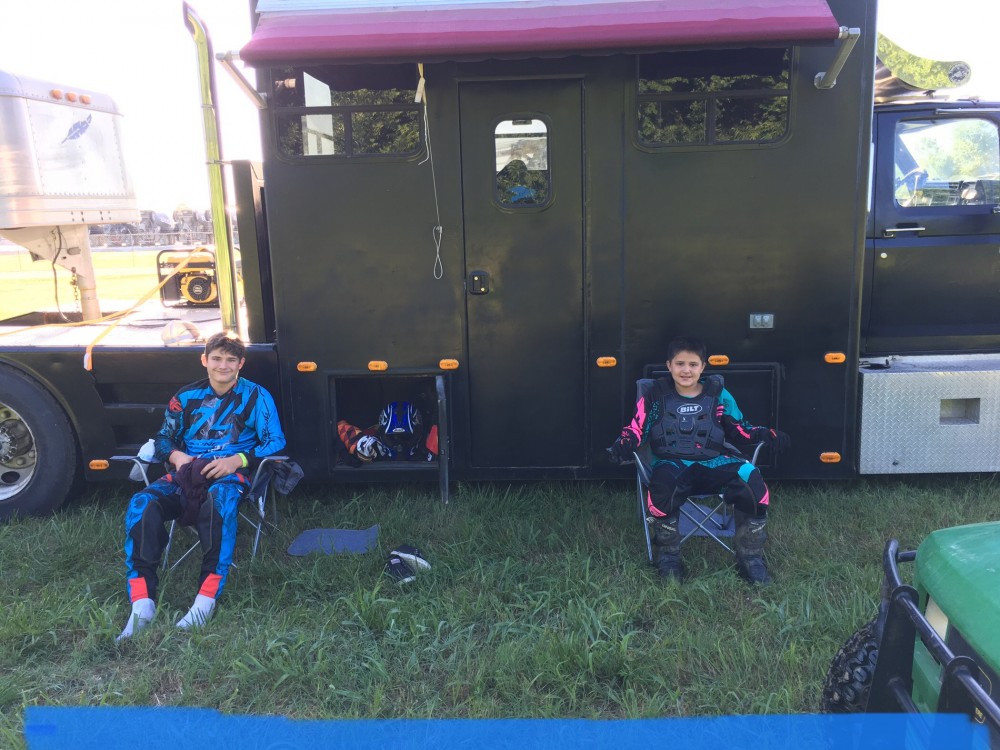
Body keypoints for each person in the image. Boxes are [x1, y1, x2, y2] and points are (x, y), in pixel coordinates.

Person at [117, 331, 286, 640]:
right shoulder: (184, 397)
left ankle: (204, 601)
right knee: (142, 504)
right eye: (217, 358)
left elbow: (275, 441)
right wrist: (177, 456)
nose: (223, 365)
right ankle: (142, 603)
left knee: (219, 502)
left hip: (232, 476)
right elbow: (164, 438)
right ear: (204, 360)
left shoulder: (257, 396)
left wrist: (237, 460)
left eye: (231, 360)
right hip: (188, 472)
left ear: (241, 364)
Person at [609, 336, 790, 585]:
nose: (686, 370)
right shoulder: (655, 395)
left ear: (703, 366)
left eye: (693, 364)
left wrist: (765, 434)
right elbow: (636, 429)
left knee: (751, 479)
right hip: (671, 463)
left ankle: (750, 558)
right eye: (680, 364)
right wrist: (624, 443)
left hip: (713, 462)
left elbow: (739, 429)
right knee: (662, 487)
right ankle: (668, 557)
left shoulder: (718, 394)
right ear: (669, 365)